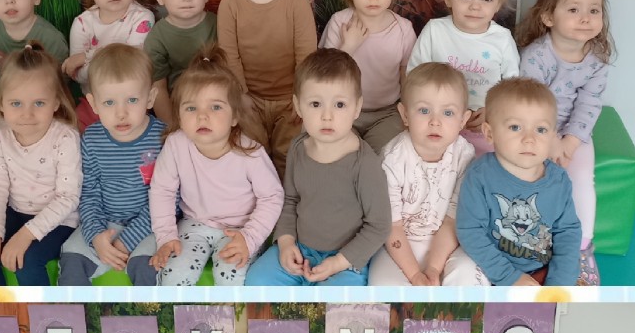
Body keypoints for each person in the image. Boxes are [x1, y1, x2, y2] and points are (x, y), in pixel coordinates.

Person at [245, 48, 391, 286]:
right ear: (298, 106)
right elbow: (290, 200)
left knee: (337, 299)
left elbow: (379, 225)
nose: (327, 116)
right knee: (257, 280)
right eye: (315, 104)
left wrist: (338, 262)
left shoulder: (365, 164)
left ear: (357, 107)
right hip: (301, 249)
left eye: (340, 104)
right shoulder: (297, 148)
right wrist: (286, 243)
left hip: (346, 261)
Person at [149, 47, 284, 286]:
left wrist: (249, 238)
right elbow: (162, 190)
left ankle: (227, 312)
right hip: (194, 225)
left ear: (234, 117)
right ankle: (179, 311)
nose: (202, 116)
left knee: (229, 274)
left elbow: (272, 196)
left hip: (241, 228)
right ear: (179, 115)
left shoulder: (249, 152)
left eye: (215, 107)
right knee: (175, 274)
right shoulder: (176, 144)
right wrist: (166, 236)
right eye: (191, 108)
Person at [518, 0, 615, 286]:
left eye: (594, 11)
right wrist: (549, 140)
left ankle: (582, 249)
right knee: (531, 178)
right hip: (533, 126)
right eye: (574, 10)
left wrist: (570, 142)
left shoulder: (596, 61)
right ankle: (531, 244)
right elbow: (530, 102)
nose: (586, 18)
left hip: (574, 130)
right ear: (548, 17)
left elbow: (589, 104)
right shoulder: (536, 56)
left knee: (581, 178)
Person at [0, 43, 81, 286]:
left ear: (56, 103)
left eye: (39, 103)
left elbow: (68, 197)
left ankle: (41, 311)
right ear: (1, 103)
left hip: (59, 220)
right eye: (16, 103)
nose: (27, 114)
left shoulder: (65, 137)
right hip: (15, 211)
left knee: (26, 261)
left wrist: (26, 235)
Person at [216, 0, 318, 175]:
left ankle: (287, 197)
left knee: (289, 154)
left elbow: (306, 55)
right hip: (249, 98)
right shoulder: (230, 3)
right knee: (251, 153)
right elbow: (229, 55)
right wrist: (241, 96)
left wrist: (302, 96)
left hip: (290, 98)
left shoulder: (296, 1)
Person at [456, 77, 582, 286]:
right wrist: (510, 277)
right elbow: (471, 232)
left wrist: (559, 284)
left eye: (541, 130)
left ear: (553, 135)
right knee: (461, 278)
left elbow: (567, 233)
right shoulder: (480, 175)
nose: (529, 139)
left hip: (543, 269)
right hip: (490, 268)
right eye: (515, 127)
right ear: (489, 133)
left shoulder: (559, 181)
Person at [368, 62, 485, 286]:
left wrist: (433, 268)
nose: (435, 121)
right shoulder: (392, 159)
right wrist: (415, 274)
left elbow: (452, 221)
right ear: (405, 114)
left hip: (450, 241)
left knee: (471, 276)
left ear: (462, 120)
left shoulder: (465, 156)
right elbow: (392, 226)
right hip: (400, 243)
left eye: (448, 113)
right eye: (424, 110)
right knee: (383, 286)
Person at [58, 45, 165, 287]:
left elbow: (168, 199)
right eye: (109, 102)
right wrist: (96, 236)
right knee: (72, 261)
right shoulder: (92, 139)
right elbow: (89, 194)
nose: (121, 113)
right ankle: (76, 311)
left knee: (147, 267)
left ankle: (147, 312)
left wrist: (128, 240)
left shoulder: (163, 138)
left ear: (150, 98)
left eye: (132, 100)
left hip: (152, 226)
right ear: (93, 103)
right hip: (105, 222)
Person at [407, 0, 520, 153]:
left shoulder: (502, 39)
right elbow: (414, 77)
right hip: (438, 122)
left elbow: (512, 87)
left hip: (485, 125)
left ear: (498, 3)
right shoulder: (435, 31)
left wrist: (492, 111)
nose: (475, 6)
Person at [320, 0, 416, 152]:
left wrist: (410, 109)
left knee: (384, 154)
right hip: (342, 109)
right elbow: (324, 75)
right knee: (341, 151)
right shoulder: (339, 22)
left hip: (387, 113)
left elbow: (407, 76)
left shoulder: (403, 29)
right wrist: (348, 47)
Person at [64, 0, 155, 126]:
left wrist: (86, 57)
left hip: (132, 102)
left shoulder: (142, 18)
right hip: (93, 103)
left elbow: (131, 67)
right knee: (74, 126)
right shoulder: (82, 23)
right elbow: (78, 75)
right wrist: (90, 59)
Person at [145, 0, 217, 125]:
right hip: (179, 107)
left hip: (218, 101)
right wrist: (172, 127)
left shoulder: (219, 25)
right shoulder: (157, 37)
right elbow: (158, 88)